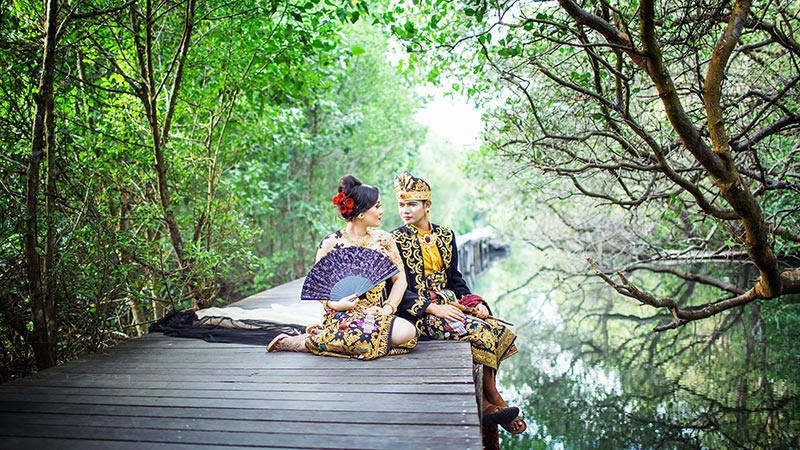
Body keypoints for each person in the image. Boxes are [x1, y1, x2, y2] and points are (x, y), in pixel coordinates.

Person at [391, 171, 526, 434]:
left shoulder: (445, 235)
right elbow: (396, 289)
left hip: (452, 304)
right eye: (401, 204)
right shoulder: (394, 240)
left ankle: (489, 402)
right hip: (421, 312)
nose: (405, 210)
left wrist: (475, 302)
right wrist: (432, 307)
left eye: (412, 204)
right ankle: (495, 401)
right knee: (476, 331)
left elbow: (456, 279)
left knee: (497, 328)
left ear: (427, 205)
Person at [268, 174, 418, 359]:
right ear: (361, 212)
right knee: (363, 337)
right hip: (342, 315)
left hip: (375, 314)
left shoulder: (384, 240)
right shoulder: (330, 243)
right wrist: (337, 305)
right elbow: (319, 289)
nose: (381, 211)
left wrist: (388, 308)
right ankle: (302, 343)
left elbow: (400, 280)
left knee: (407, 333)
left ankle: (322, 339)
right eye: (377, 206)